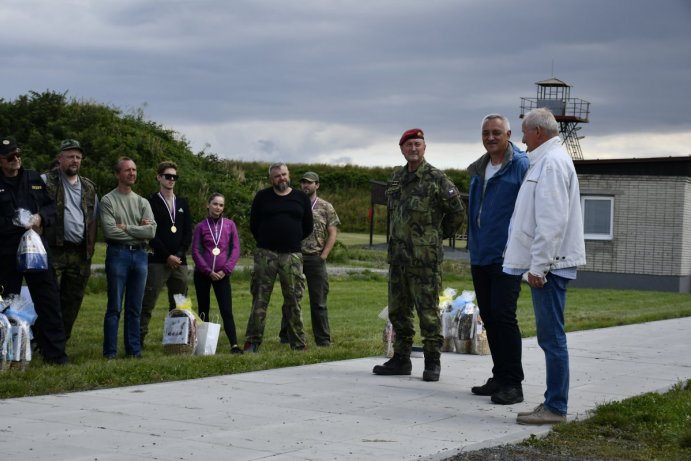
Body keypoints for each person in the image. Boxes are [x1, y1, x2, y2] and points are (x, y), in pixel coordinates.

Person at [503, 108, 586, 425]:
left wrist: (538, 267)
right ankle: (554, 403)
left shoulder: (551, 164)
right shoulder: (548, 161)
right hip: (552, 265)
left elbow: (551, 222)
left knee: (552, 338)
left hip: (551, 268)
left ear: (538, 132)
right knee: (551, 337)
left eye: (524, 132)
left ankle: (556, 407)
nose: (522, 139)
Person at [373, 128, 464, 382]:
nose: (413, 149)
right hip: (399, 257)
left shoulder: (437, 178)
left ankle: (432, 362)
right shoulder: (397, 177)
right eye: (409, 145)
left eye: (418, 144)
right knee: (399, 310)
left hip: (425, 259)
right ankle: (400, 359)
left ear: (424, 148)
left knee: (427, 312)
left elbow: (457, 213)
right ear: (402, 149)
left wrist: (435, 236)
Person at [467, 115, 529, 405]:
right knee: (490, 318)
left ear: (508, 134)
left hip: (507, 256)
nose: (490, 137)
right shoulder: (479, 168)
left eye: (496, 133)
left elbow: (529, 211)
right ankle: (499, 376)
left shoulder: (521, 167)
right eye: (486, 133)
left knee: (504, 318)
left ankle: (513, 384)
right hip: (481, 254)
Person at [0, 136, 68, 365]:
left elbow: (51, 207)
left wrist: (40, 217)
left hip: (36, 250)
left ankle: (55, 355)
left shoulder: (32, 177)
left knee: (49, 301)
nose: (16, 160)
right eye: (10, 157)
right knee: (6, 303)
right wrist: (15, 223)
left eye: (18, 155)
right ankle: (8, 355)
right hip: (7, 253)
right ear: (1, 160)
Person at [244, 162, 313, 352]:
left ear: (288, 175)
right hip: (266, 254)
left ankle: (298, 343)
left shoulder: (300, 198)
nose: (281, 178)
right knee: (259, 298)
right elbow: (254, 224)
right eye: (277, 176)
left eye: (284, 174)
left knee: (293, 299)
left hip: (291, 255)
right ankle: (253, 342)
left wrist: (291, 239)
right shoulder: (262, 197)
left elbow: (308, 226)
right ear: (271, 179)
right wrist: (269, 241)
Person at [100, 157, 156, 359]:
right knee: (114, 306)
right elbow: (110, 232)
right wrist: (138, 230)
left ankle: (134, 350)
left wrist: (128, 227)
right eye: (127, 170)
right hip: (118, 254)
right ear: (117, 174)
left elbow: (151, 232)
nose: (132, 173)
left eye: (134, 170)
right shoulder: (108, 200)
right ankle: (110, 352)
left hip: (141, 255)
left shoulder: (143, 202)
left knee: (135, 307)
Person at [43, 139, 99, 342]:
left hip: (80, 253)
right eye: (70, 156)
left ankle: (61, 341)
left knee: (72, 300)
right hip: (54, 250)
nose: (74, 160)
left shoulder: (89, 187)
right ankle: (43, 340)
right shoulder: (45, 181)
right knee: (49, 299)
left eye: (78, 157)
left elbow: (92, 219)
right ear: (60, 159)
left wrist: (90, 247)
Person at [279, 171, 340, 347]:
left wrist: (324, 256)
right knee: (291, 298)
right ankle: (286, 336)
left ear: (317, 185)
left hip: (315, 258)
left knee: (318, 300)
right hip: (294, 256)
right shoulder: (294, 202)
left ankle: (322, 339)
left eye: (310, 183)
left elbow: (332, 233)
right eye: (304, 182)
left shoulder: (326, 207)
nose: (306, 185)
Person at [139, 161, 192, 345]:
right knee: (148, 301)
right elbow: (150, 232)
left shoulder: (182, 202)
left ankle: (177, 340)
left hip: (180, 261)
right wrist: (166, 255)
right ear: (159, 177)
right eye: (167, 176)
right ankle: (138, 339)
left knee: (180, 303)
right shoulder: (150, 202)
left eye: (174, 177)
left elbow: (187, 232)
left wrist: (178, 254)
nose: (171, 180)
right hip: (158, 260)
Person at [192, 193, 243, 354]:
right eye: (215, 204)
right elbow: (195, 251)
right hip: (203, 274)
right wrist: (207, 271)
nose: (218, 208)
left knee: (226, 309)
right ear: (208, 205)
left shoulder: (230, 225)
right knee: (203, 308)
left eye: (221, 205)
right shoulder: (200, 226)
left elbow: (235, 249)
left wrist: (225, 270)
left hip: (222, 275)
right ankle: (202, 346)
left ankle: (234, 345)